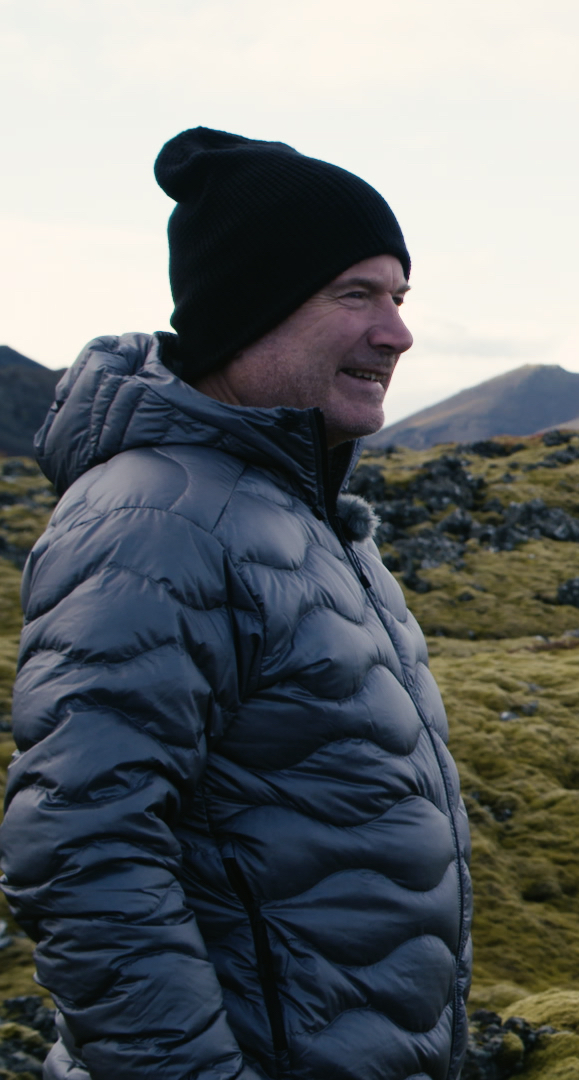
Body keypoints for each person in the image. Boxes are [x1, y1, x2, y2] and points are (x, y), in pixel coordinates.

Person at [3, 128, 471, 1080]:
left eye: (400, 296)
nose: (398, 331)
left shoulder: (302, 517)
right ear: (251, 309)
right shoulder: (158, 518)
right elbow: (84, 846)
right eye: (357, 295)